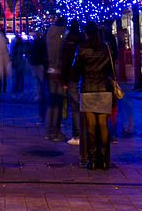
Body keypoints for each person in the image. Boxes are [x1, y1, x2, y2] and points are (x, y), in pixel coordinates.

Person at [72, 22, 112, 170]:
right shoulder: (106, 48)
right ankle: (105, 158)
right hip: (103, 89)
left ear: (86, 34)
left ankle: (93, 158)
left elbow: (75, 70)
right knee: (103, 125)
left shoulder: (82, 49)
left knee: (91, 126)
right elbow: (110, 68)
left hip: (88, 89)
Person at [60, 20, 82, 145]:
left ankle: (77, 135)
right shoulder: (83, 40)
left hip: (72, 77)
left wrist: (64, 80)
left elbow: (64, 61)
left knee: (74, 107)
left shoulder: (67, 41)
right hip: (84, 77)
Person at [45, 15, 66, 140]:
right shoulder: (62, 34)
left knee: (52, 102)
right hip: (58, 71)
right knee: (58, 102)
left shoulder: (49, 33)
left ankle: (49, 130)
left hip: (50, 69)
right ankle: (55, 131)